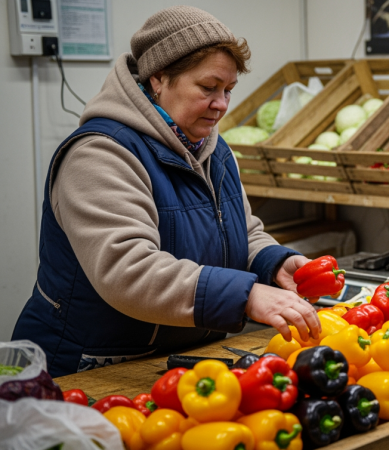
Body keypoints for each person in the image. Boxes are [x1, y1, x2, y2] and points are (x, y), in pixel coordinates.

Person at [13, 6, 321, 377]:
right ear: (158, 78)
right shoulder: (100, 153)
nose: (222, 104)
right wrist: (247, 295)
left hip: (183, 358)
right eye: (208, 88)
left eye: (228, 90)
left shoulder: (211, 149)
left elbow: (242, 229)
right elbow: (128, 269)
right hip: (91, 366)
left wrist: (273, 261)